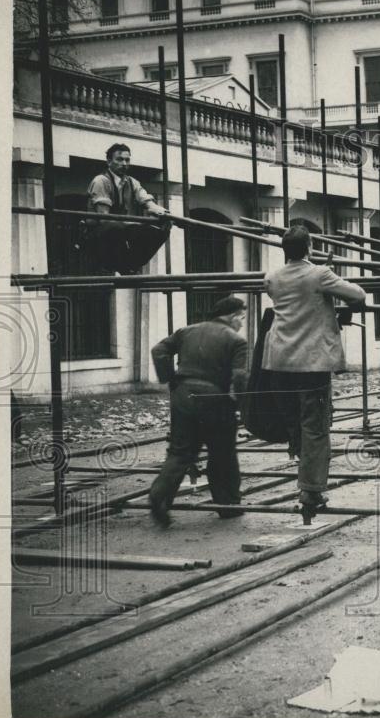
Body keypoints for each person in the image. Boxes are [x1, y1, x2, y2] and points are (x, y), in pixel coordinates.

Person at [263, 225, 366, 517]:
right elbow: (358, 295)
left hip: (280, 361)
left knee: (294, 421)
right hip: (311, 362)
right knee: (315, 427)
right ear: (309, 247)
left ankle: (299, 459)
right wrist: (334, 300)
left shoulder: (272, 276)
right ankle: (311, 491)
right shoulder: (319, 273)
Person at [149, 295, 249, 527]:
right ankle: (228, 506)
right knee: (222, 452)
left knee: (180, 451)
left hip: (183, 395)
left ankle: (160, 497)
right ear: (233, 316)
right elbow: (240, 376)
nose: (242, 323)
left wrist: (170, 379)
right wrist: (241, 404)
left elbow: (158, 350)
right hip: (216, 399)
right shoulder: (236, 340)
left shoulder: (186, 331)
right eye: (241, 318)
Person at [84, 143, 171, 274]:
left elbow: (146, 199)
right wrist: (133, 224)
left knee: (163, 227)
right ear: (109, 161)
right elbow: (104, 217)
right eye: (119, 159)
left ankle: (131, 265)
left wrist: (162, 212)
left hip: (120, 232)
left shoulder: (132, 182)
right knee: (117, 227)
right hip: (96, 235)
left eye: (127, 160)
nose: (124, 163)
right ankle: (116, 265)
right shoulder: (100, 181)